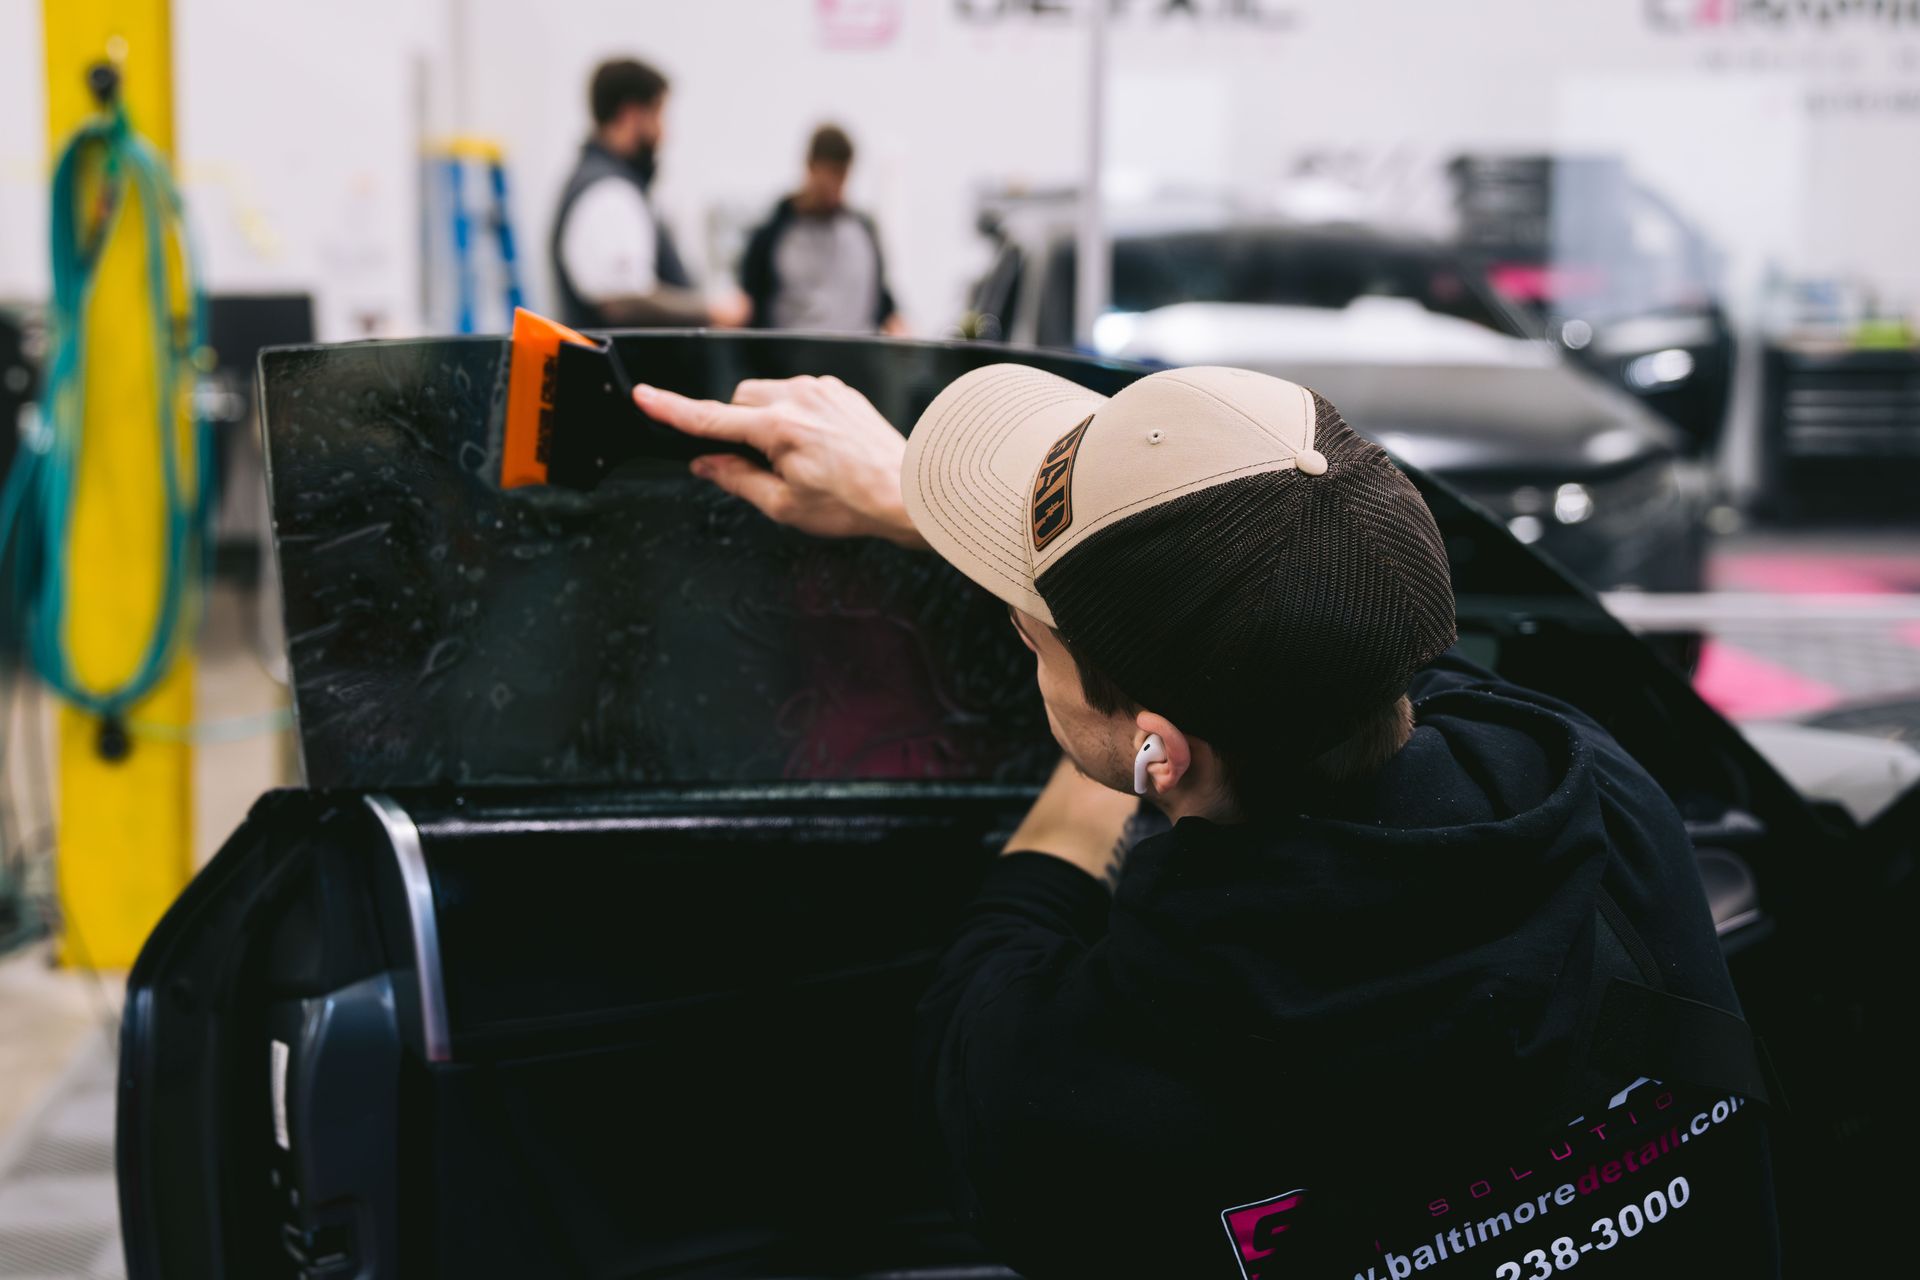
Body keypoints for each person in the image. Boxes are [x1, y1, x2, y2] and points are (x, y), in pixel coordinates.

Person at [631, 367, 1780, 1278]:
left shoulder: (1071, 1087)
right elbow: (1307, 630)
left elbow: (1016, 930)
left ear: (1160, 752)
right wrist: (927, 506)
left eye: (1034, 636)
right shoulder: (1600, 792)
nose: (1025, 637)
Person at [549, 58, 748, 330]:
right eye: (657, 115)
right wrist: (710, 309)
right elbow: (622, 301)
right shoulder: (608, 194)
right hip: (624, 360)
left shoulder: (610, 184)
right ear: (631, 115)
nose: (664, 133)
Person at [738, 125, 905, 335]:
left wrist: (898, 328)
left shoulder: (862, 233)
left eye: (841, 176)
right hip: (793, 352)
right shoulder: (771, 237)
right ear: (810, 167)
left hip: (859, 350)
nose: (834, 187)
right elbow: (750, 304)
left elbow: (881, 300)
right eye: (829, 174)